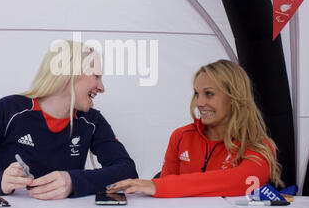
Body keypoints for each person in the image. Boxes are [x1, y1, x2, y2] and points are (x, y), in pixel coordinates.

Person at [0, 40, 138, 199]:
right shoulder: (9, 109)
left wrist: (73, 182)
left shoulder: (92, 121)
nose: (102, 87)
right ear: (70, 75)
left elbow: (128, 171)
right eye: (96, 76)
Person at [107, 59, 284, 197]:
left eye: (209, 94)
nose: (199, 103)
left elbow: (244, 181)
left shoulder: (258, 144)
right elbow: (166, 192)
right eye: (197, 93)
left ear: (234, 97)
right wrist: (159, 186)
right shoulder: (181, 136)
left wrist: (156, 185)